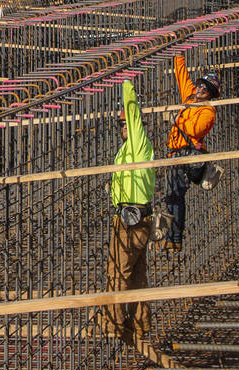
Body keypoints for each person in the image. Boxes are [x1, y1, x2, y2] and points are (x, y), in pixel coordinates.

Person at [102, 79, 156, 346]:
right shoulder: (127, 150)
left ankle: (113, 323)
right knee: (136, 275)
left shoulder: (139, 144)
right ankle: (140, 324)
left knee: (117, 272)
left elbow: (133, 113)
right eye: (121, 125)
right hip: (129, 217)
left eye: (127, 124)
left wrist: (126, 83)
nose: (124, 127)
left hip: (132, 221)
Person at [162, 56, 221, 251]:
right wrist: (178, 51)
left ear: (210, 95)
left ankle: (174, 238)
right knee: (171, 196)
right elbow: (181, 75)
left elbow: (194, 130)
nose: (200, 90)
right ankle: (171, 237)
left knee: (175, 196)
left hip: (187, 157)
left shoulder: (208, 112)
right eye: (200, 85)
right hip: (174, 154)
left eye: (206, 90)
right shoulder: (189, 97)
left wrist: (176, 119)